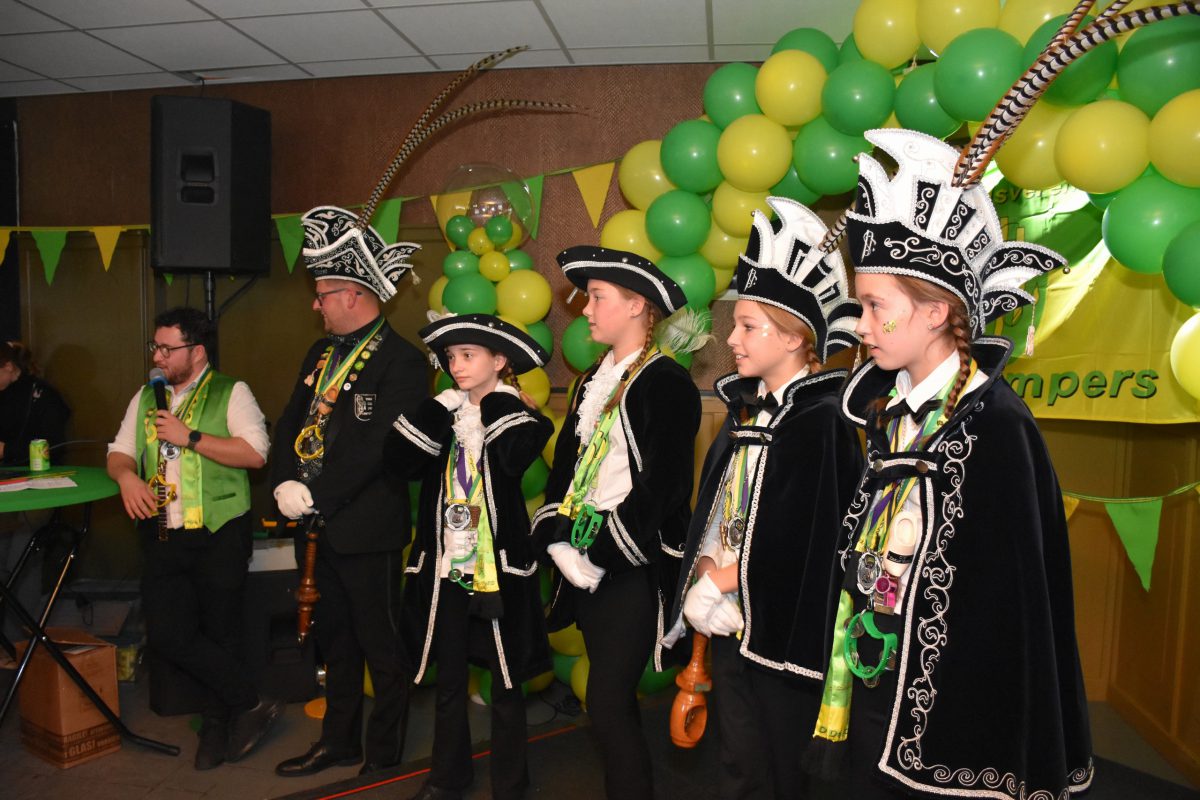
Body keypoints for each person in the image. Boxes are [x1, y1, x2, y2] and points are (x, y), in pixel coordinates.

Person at [804, 127, 1092, 798]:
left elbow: (1009, 605)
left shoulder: (997, 427)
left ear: (936, 312)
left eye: (875, 306)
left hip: (946, 707)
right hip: (868, 670)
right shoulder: (887, 414)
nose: (861, 326)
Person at [663, 197, 864, 800]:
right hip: (727, 621)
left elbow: (811, 543)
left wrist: (726, 582)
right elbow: (719, 508)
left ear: (797, 337)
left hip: (780, 635)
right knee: (738, 766)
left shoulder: (822, 422)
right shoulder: (747, 411)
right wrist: (706, 570)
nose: (731, 338)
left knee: (779, 770)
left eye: (749, 326)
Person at [533, 246, 702, 800]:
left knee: (607, 700)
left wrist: (601, 552)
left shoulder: (666, 382)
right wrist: (558, 541)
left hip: (632, 565)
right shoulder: (589, 382)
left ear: (636, 305)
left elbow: (666, 488)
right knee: (606, 705)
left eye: (598, 297)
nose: (585, 309)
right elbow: (566, 472)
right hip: (580, 557)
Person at [272, 206, 427, 777]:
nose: (316, 305)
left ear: (353, 294)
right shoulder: (318, 353)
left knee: (381, 648)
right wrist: (283, 481)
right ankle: (338, 742)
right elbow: (290, 423)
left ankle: (382, 758)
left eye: (322, 295)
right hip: (313, 524)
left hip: (366, 526)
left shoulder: (403, 362)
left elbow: (377, 447)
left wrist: (318, 495)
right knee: (334, 643)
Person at [385, 313, 553, 800]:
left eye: (467, 355)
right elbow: (398, 462)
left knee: (505, 683)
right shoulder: (445, 415)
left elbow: (514, 457)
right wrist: (441, 406)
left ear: (498, 360)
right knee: (450, 680)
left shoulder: (517, 415)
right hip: (448, 568)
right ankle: (447, 777)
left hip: (497, 573)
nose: (455, 366)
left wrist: (498, 400)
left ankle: (511, 785)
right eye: (450, 357)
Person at [106, 307, 279, 771]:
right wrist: (126, 477)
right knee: (168, 633)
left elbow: (255, 454)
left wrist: (191, 437)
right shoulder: (146, 396)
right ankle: (250, 701)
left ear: (197, 351)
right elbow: (119, 452)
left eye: (168, 348)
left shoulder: (232, 391)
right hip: (164, 533)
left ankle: (217, 725)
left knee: (222, 631)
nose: (157, 356)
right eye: (156, 347)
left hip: (220, 531)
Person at [0, 340, 72, 642]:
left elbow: (54, 446)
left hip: (36, 489)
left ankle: (20, 642)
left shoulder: (44, 397)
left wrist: (7, 451)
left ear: (8, 367)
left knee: (22, 559)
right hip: (6, 489)